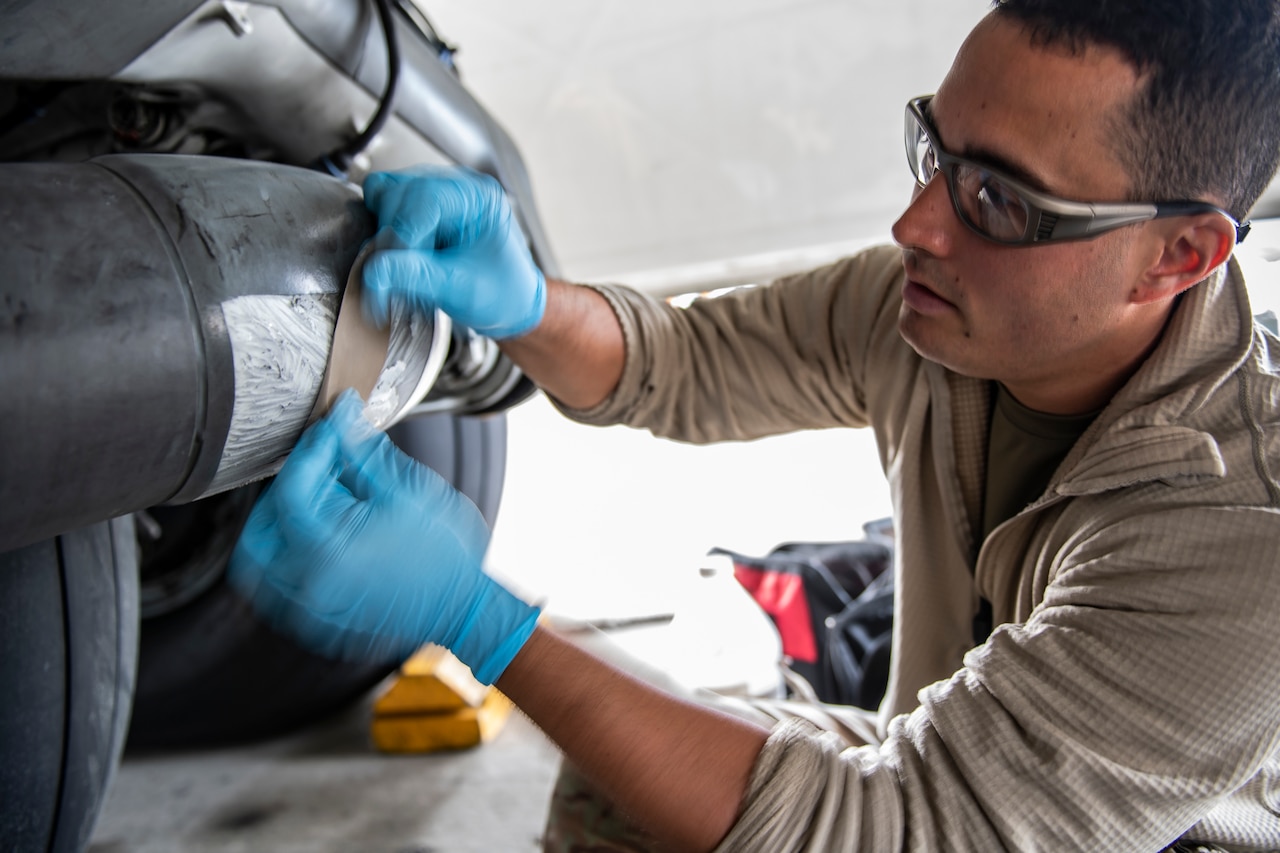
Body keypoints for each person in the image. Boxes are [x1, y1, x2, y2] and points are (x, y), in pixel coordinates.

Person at [228, 0, 1280, 850]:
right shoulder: (944, 313)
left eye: (999, 201)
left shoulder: (1244, 529)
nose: (914, 227)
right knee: (626, 789)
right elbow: (686, 363)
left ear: (1176, 256)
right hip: (959, 784)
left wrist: (481, 622)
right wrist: (529, 306)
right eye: (935, 152)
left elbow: (920, 828)